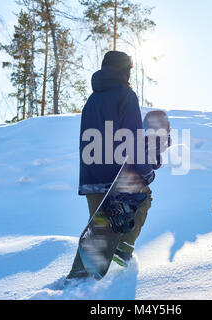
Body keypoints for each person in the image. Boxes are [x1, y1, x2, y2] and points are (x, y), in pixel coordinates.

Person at [66, 51, 156, 281]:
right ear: (123, 69)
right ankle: (123, 249)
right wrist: (145, 170)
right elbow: (132, 136)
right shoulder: (125, 95)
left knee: (101, 225)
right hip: (117, 173)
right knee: (145, 197)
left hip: (91, 175)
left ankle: (81, 283)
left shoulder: (92, 100)